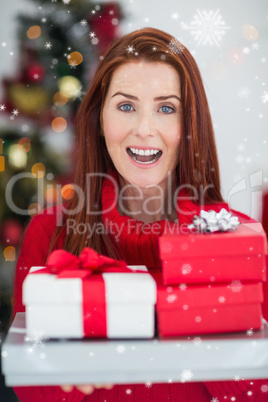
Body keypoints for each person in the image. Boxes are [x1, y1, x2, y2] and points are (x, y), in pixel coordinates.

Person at [11, 27, 268, 401]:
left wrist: (205, 331)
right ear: (100, 119)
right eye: (126, 106)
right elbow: (30, 384)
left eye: (166, 108)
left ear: (189, 125)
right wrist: (67, 377)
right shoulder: (49, 233)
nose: (144, 130)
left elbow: (258, 391)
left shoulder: (237, 244)